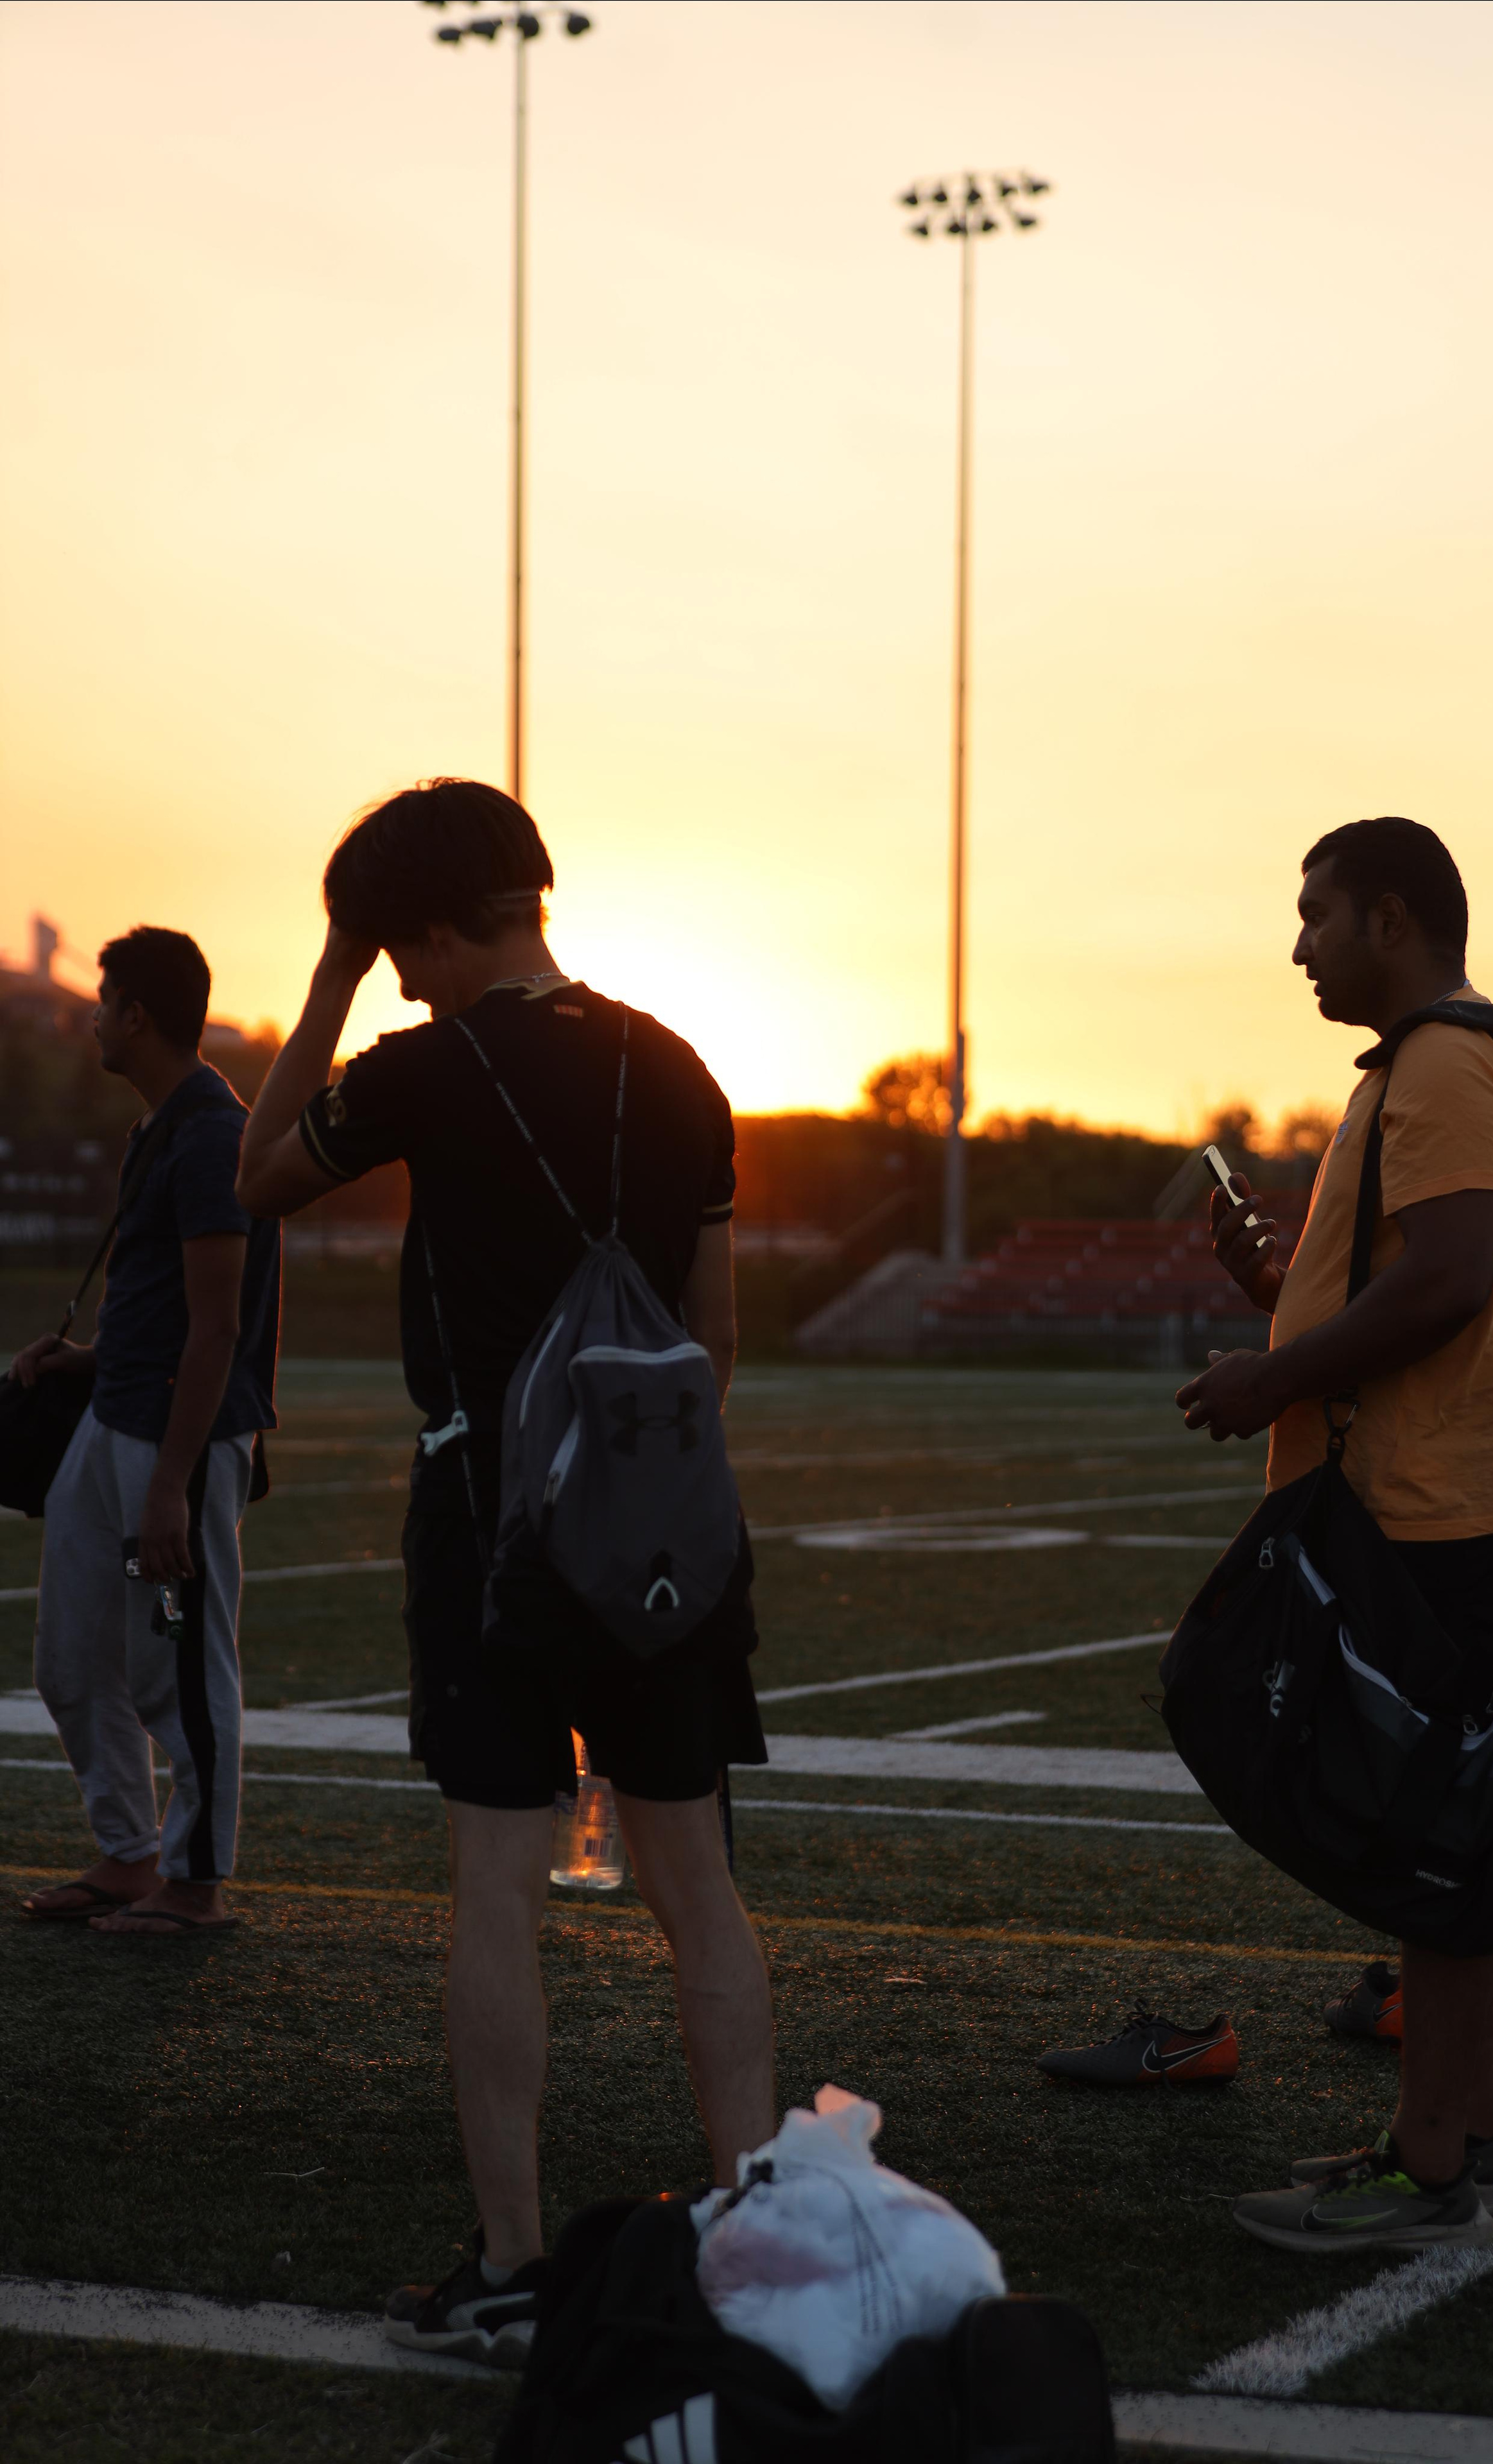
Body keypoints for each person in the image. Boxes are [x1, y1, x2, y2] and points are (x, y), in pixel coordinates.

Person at [236, 776, 775, 2367]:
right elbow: (718, 1330)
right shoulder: (680, 1066)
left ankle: (515, 2265)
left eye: (393, 951)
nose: (395, 980)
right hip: (666, 1516)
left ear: (423, 928)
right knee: (698, 1887)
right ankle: (750, 2243)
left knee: (495, 1882)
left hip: (492, 1521)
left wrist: (322, 980)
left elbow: (259, 1174)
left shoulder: (424, 1066)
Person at [1175, 815, 1493, 2254]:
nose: (1297, 945)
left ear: (1392, 919)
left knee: (1423, 1834)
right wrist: (1277, 1300)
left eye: (1316, 913)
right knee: (1448, 1837)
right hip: (1442, 1498)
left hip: (1434, 1509)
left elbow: (1450, 1286)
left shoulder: (1440, 1065)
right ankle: (1460, 2147)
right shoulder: (1445, 1064)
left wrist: (1266, 1378)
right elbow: (1403, 1290)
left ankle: (1429, 2167)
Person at [14, 928, 280, 1936]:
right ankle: (128, 1855)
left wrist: (170, 1485)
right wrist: (79, 1362)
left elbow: (218, 1326)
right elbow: (165, 1308)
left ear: (139, 1015)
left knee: (174, 1654)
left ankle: (195, 1882)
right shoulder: (160, 1128)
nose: (90, 1015)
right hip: (113, 1428)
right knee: (75, 1658)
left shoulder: (214, 1135)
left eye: (104, 998)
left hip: (177, 1450)